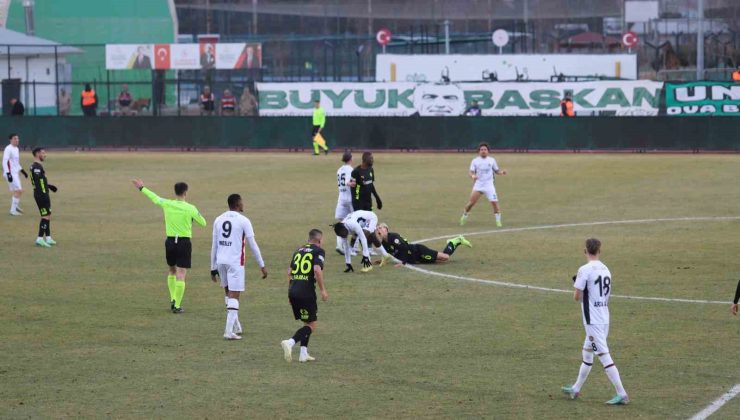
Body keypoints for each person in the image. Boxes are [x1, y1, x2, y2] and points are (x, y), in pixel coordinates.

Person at [562, 238, 629, 405]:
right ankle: (576, 388)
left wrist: (579, 286)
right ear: (599, 251)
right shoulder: (606, 269)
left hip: (593, 321)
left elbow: (577, 297)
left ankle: (622, 393)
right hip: (604, 316)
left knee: (604, 356)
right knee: (587, 352)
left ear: (585, 251)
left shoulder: (584, 270)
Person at [131, 179, 207, 313]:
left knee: (172, 270)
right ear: (185, 193)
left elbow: (154, 198)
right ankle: (177, 305)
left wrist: (142, 188)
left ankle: (172, 298)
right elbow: (203, 223)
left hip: (170, 242)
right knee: (181, 273)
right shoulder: (190, 208)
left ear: (175, 192)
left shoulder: (167, 204)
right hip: (184, 242)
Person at [210, 194, 268, 340]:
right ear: (237, 204)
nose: (243, 204)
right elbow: (253, 245)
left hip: (221, 261)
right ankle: (228, 331)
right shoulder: (244, 221)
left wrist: (212, 267)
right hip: (235, 262)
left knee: (228, 294)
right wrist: (262, 265)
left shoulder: (218, 219)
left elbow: (214, 245)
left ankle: (236, 326)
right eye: (242, 202)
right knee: (234, 296)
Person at [280, 229, 329, 363]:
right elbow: (317, 270)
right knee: (311, 325)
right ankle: (290, 342)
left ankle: (303, 353)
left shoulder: (298, 250)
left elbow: (289, 272)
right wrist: (323, 290)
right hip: (306, 292)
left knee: (307, 321)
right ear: (319, 240)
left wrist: (290, 293)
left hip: (294, 290)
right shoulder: (319, 251)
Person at [375, 223, 470, 266]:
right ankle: (454, 242)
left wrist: (403, 262)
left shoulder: (393, 237)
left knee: (445, 258)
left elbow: (404, 248)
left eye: (380, 228)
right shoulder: (383, 244)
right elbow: (388, 254)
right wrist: (381, 261)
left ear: (386, 229)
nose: (378, 229)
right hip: (415, 258)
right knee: (439, 261)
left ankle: (455, 241)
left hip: (418, 251)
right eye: (377, 229)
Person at [460, 142, 507, 227]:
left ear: (488, 151)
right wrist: (473, 176)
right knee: (471, 203)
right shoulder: (475, 161)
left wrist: (502, 172)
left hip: (489, 186)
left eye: (485, 149)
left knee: (495, 203)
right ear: (479, 151)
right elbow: (471, 172)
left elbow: (496, 171)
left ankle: (498, 222)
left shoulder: (492, 160)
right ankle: (464, 215)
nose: (483, 151)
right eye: (481, 150)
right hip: (478, 185)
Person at [29, 147, 57, 247]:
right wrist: (44, 192)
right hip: (41, 194)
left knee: (48, 214)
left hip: (42, 193)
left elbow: (40, 181)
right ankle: (40, 238)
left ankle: (48, 238)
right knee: (45, 216)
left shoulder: (36, 166)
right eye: (43, 153)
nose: (45, 155)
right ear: (37, 154)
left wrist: (49, 185)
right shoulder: (36, 167)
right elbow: (37, 182)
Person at [334, 151, 355, 254]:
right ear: (350, 159)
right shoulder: (350, 169)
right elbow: (347, 182)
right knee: (355, 222)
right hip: (350, 198)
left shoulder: (339, 170)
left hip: (341, 198)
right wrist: (355, 183)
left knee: (341, 222)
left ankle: (339, 245)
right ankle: (352, 247)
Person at [3, 133, 28, 216]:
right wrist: (8, 173)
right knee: (18, 191)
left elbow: (16, 163)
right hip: (10, 174)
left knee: (18, 191)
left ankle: (16, 206)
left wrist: (23, 171)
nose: (17, 140)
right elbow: (5, 162)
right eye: (15, 138)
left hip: (15, 173)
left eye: (17, 138)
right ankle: (13, 211)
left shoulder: (16, 149)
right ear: (10, 140)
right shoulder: (8, 149)